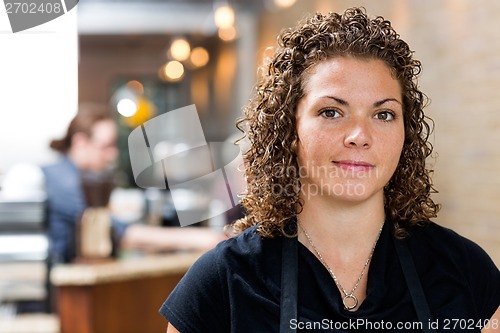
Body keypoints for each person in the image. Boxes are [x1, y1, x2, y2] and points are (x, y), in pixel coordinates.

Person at [159, 7, 499, 333]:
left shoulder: (466, 270)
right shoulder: (221, 282)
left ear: (404, 135)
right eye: (331, 112)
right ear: (288, 130)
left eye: (383, 114)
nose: (359, 136)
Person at [43, 103, 225, 264]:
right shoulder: (63, 182)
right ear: (80, 142)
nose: (112, 155)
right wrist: (200, 239)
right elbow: (119, 232)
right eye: (106, 146)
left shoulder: (75, 177)